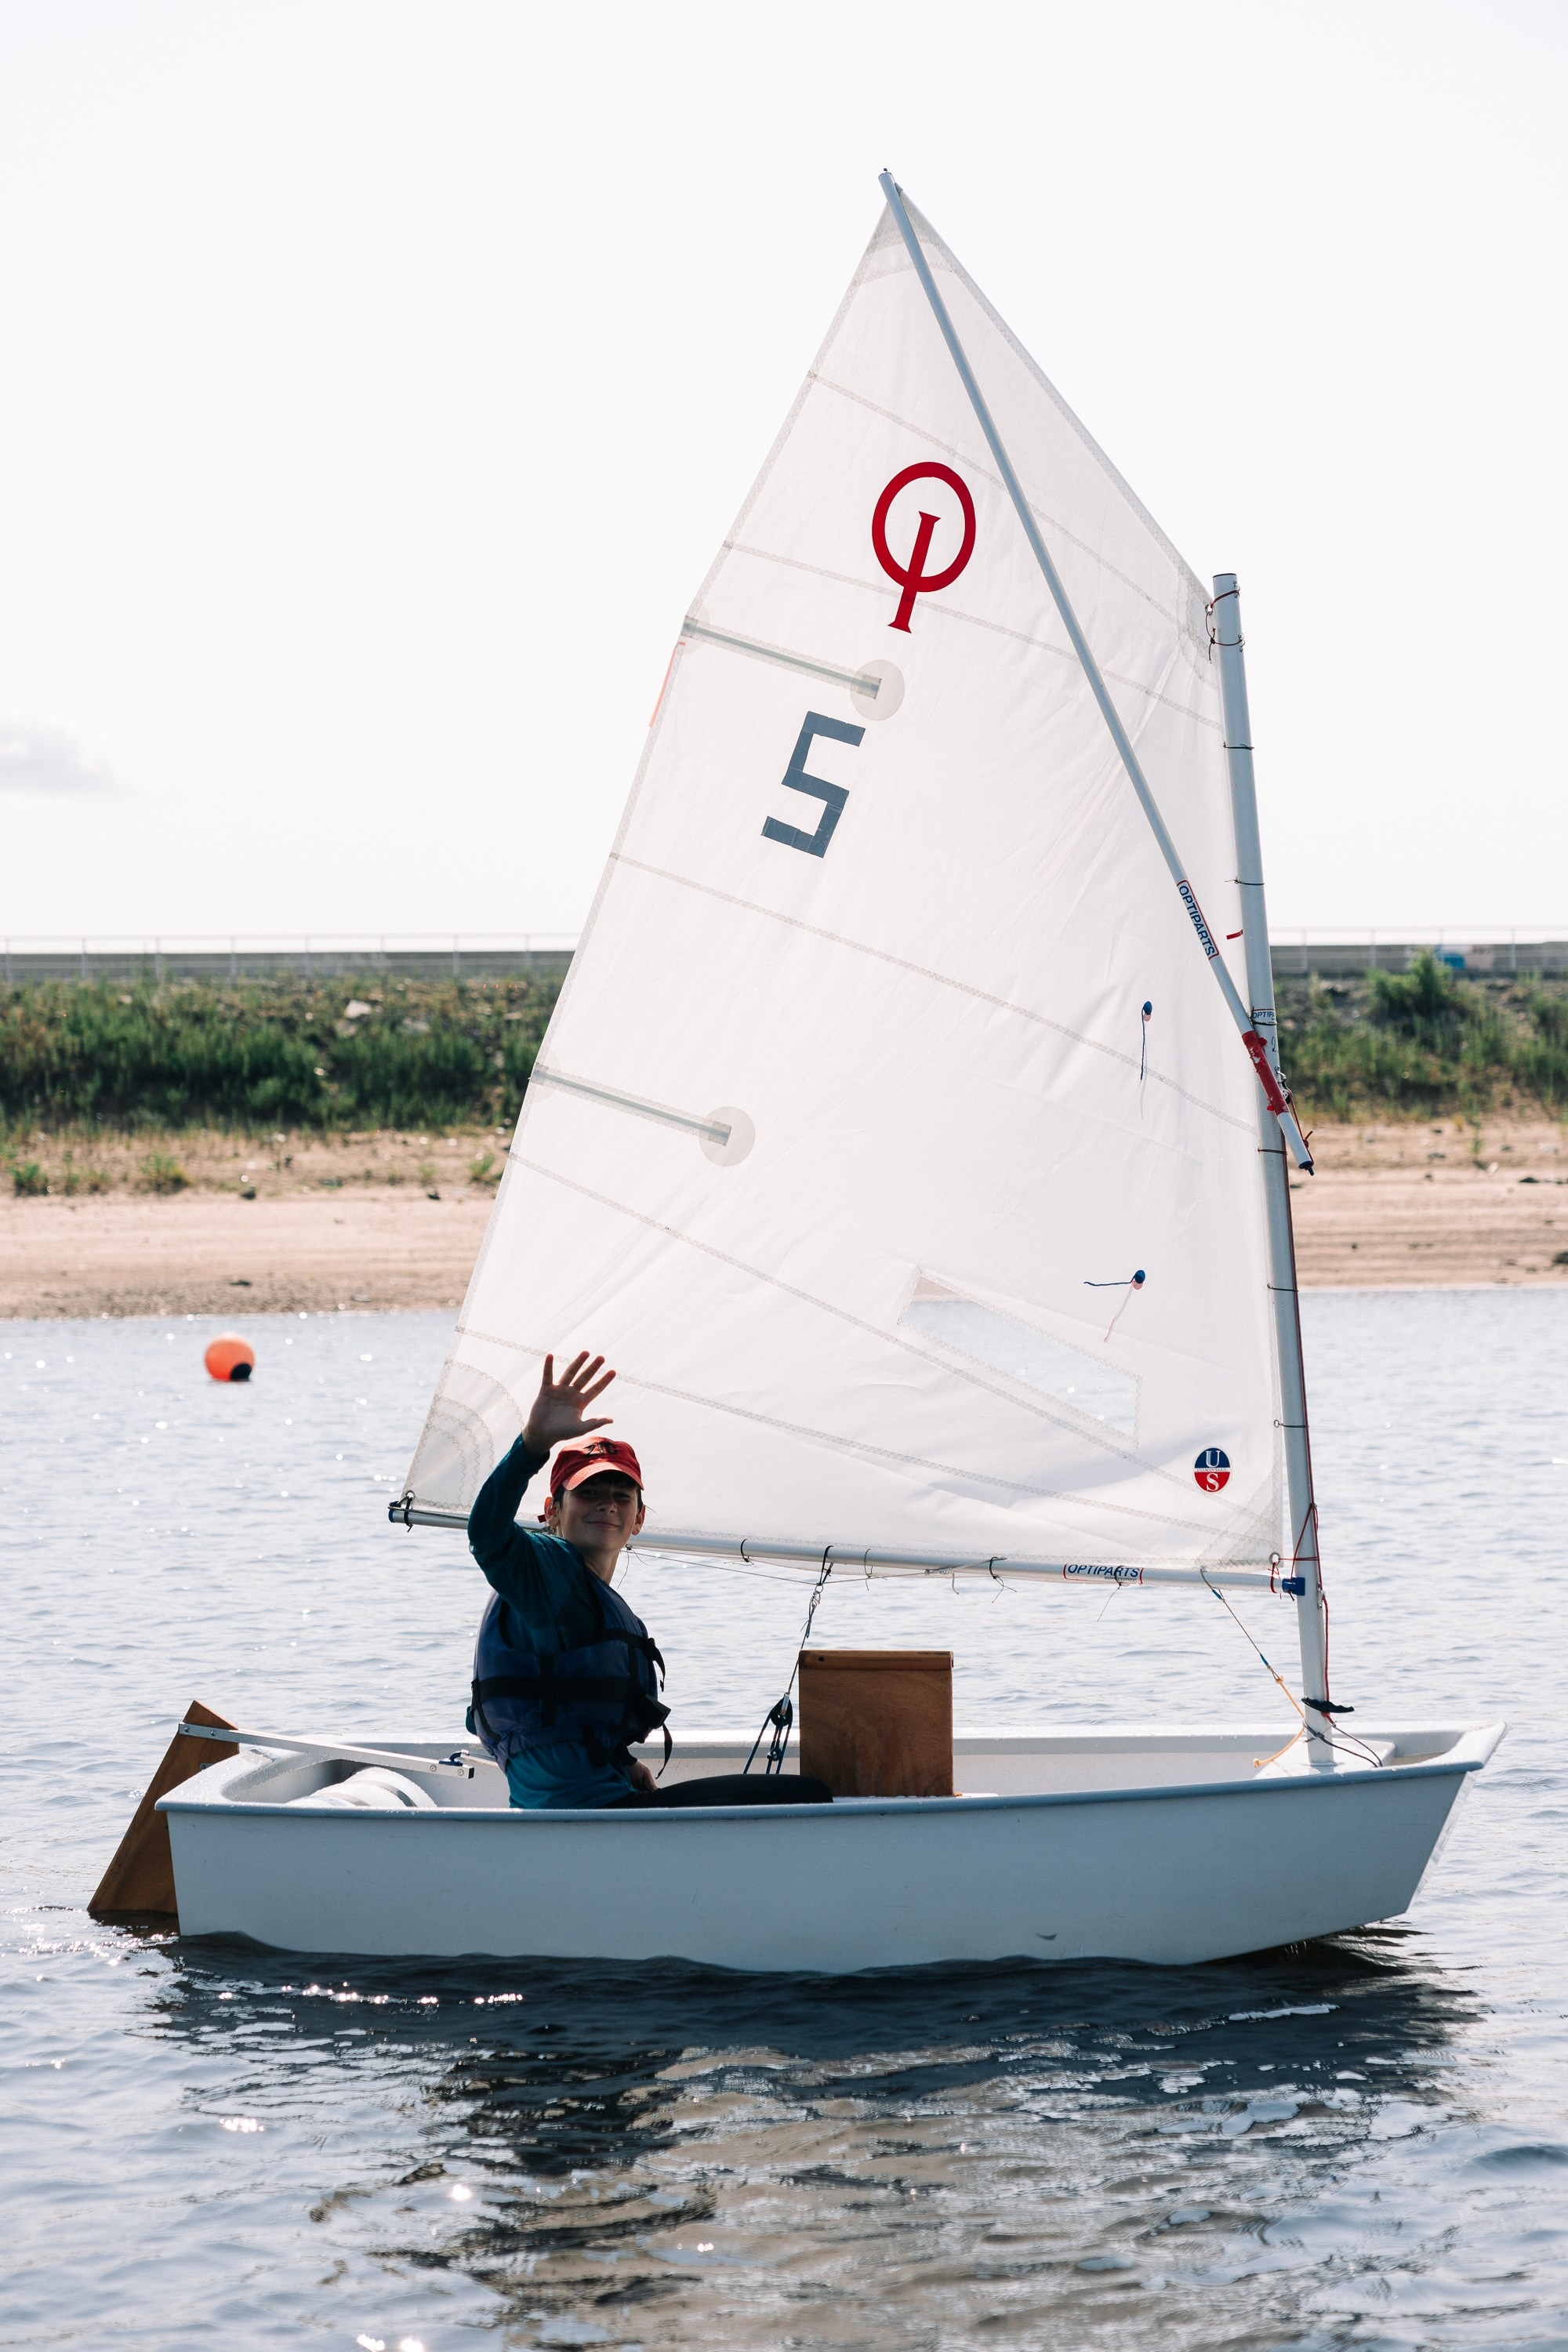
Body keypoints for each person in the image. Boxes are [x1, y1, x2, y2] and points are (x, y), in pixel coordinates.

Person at [467, 1349, 832, 1812]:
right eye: (589, 1492)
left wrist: (619, 1760)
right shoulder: (545, 1570)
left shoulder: (583, 1592)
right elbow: (487, 1534)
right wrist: (533, 1443)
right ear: (552, 1512)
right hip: (586, 1817)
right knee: (810, 1797)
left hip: (592, 1805)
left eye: (622, 1495)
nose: (608, 1504)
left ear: (639, 1519)